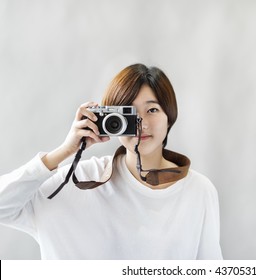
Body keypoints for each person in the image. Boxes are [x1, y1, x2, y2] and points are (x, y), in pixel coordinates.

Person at [0, 63, 223, 260]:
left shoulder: (198, 191)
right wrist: (64, 151)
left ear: (170, 116)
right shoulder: (75, 181)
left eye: (152, 109)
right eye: (129, 112)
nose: (140, 123)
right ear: (110, 117)